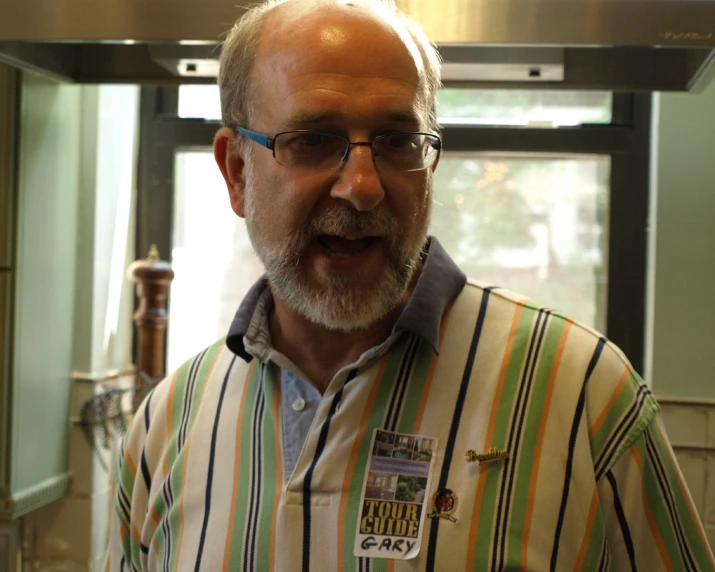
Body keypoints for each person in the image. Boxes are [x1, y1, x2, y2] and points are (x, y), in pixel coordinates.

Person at [105, 0, 715, 569]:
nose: (363, 186)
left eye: (399, 142)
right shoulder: (171, 422)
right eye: (314, 141)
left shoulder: (583, 393)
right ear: (236, 171)